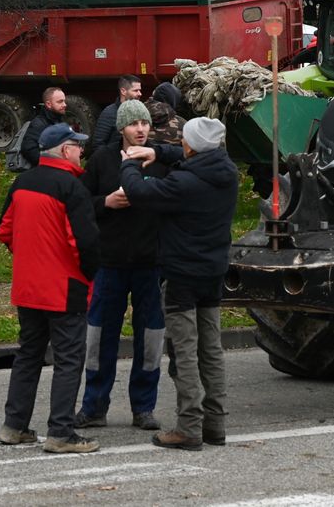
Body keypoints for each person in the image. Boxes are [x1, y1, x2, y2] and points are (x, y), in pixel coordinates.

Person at [120, 117, 237, 451]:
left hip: (182, 275)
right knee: (211, 349)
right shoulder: (225, 172)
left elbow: (140, 192)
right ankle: (216, 423)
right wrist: (158, 151)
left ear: (191, 146)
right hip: (213, 271)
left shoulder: (184, 184)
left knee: (184, 352)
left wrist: (130, 163)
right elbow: (189, 156)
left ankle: (189, 426)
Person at [0, 122, 101, 454]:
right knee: (69, 359)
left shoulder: (22, 182)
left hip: (28, 286)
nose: (82, 151)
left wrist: (29, 256)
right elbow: (84, 243)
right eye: (78, 145)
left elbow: (5, 230)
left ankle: (14, 426)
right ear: (65, 150)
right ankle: (61, 432)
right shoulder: (72, 187)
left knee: (28, 355)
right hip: (64, 287)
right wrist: (90, 275)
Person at [75, 100, 167, 432]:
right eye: (134, 124)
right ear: (121, 129)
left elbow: (174, 201)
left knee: (151, 339)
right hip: (110, 263)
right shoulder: (102, 159)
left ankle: (144, 408)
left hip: (150, 264)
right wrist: (106, 202)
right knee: (99, 338)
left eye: (145, 123)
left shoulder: (158, 159)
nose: (141, 129)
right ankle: (94, 407)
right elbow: (81, 202)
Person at [88, 75, 142, 151]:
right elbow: (98, 144)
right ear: (123, 91)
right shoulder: (109, 113)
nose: (140, 94)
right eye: (135, 90)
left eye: (140, 90)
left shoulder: (140, 112)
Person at [20, 87, 68, 169]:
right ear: (48, 104)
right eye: (60, 102)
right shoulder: (38, 123)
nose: (64, 105)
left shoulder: (59, 120)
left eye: (64, 101)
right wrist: (49, 165)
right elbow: (28, 149)